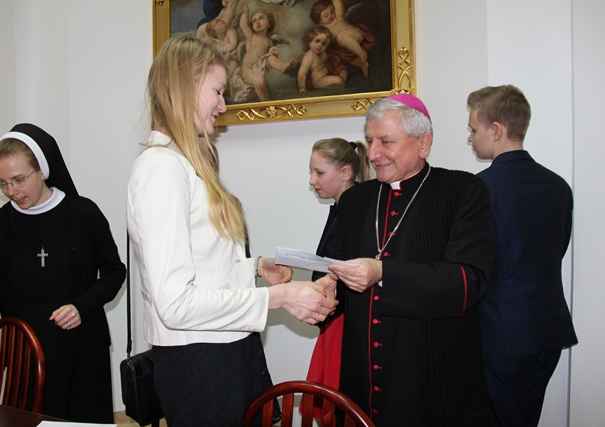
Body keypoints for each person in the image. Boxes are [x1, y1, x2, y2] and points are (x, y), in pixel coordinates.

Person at [126, 34, 337, 427]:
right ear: (185, 86)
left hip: (225, 348)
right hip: (200, 363)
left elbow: (200, 263)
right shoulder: (161, 170)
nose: (223, 106)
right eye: (218, 91)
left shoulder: (184, 164)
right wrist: (279, 297)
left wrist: (253, 267)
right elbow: (175, 303)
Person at [323, 94, 495, 425]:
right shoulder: (355, 199)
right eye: (370, 141)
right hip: (362, 374)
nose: (373, 154)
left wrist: (383, 272)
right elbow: (337, 271)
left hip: (433, 376)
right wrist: (324, 290)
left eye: (386, 141)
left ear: (423, 144)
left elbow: (468, 280)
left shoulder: (463, 191)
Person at [0, 123, 125, 423]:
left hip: (82, 348)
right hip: (26, 355)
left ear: (42, 170)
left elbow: (115, 272)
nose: (11, 191)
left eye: (18, 180)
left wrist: (81, 306)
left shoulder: (83, 214)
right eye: (1, 183)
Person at [466, 84, 578, 427]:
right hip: (549, 330)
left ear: (496, 130)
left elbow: (474, 267)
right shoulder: (558, 185)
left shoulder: (479, 189)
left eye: (473, 129)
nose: (470, 138)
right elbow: (556, 249)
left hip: (500, 333)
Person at [304, 138, 369, 417]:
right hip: (336, 320)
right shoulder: (340, 209)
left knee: (341, 409)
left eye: (319, 172)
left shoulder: (354, 213)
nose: (312, 180)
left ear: (346, 173)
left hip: (344, 323)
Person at [236, 2, 293, 101]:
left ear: (269, 23)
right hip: (248, 69)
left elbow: (270, 55)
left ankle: (282, 67)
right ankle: (266, 101)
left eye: (261, 18)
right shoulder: (251, 36)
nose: (257, 22)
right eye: (254, 21)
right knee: (259, 81)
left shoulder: (269, 40)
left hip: (260, 66)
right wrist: (245, 12)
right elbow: (243, 25)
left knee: (271, 58)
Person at [310, 0, 374, 78]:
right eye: (326, 16)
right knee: (339, 56)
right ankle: (362, 64)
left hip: (355, 36)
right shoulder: (322, 30)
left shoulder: (338, 17)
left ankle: (361, 52)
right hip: (344, 48)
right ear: (319, 21)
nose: (330, 16)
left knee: (341, 37)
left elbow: (338, 3)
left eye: (332, 12)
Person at [298, 26, 346, 93]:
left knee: (343, 70)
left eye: (324, 44)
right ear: (309, 41)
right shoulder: (309, 56)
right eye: (317, 41)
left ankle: (342, 79)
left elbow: (328, 61)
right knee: (339, 80)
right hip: (318, 81)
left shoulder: (322, 53)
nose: (320, 45)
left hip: (325, 75)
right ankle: (341, 81)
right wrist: (302, 88)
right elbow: (302, 74)